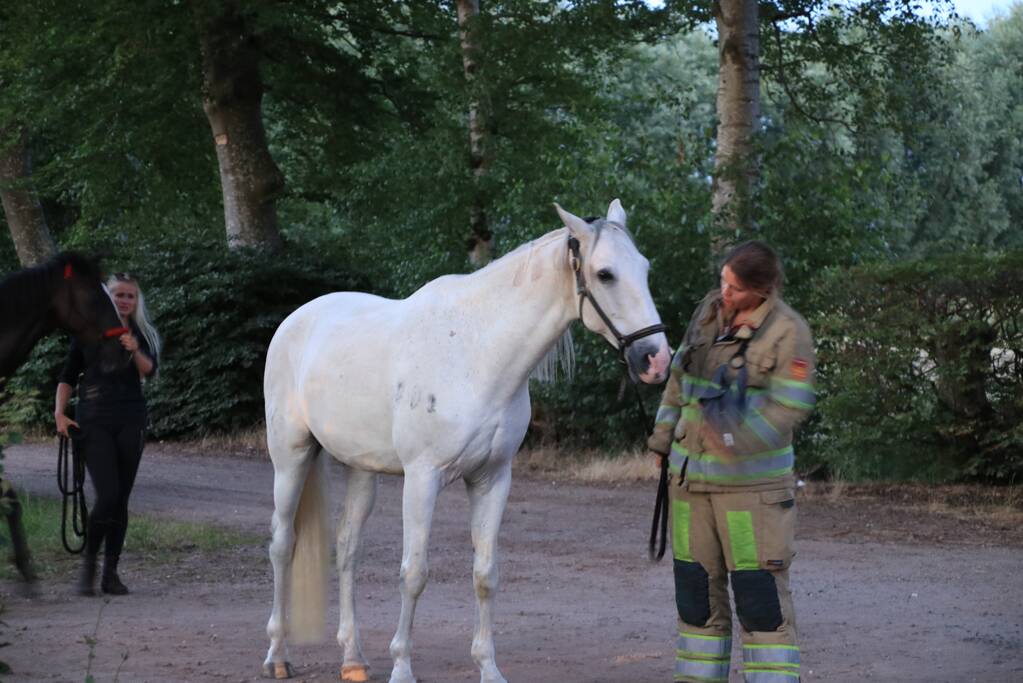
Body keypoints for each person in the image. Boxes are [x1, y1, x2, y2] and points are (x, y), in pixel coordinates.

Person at [648, 241, 815, 683]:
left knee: (760, 602)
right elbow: (679, 378)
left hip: (751, 496)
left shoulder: (788, 331)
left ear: (761, 290)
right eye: (723, 280)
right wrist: (663, 438)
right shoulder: (708, 311)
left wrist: (731, 439)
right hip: (689, 487)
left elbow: (790, 408)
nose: (723, 292)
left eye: (735, 287)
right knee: (695, 599)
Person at [54, 272, 160, 596]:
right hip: (93, 418)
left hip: (131, 418)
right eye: (119, 295)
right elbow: (67, 375)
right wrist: (59, 413)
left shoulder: (142, 333)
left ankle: (110, 572)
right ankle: (89, 565)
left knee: (121, 499)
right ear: (107, 298)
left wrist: (133, 347)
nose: (124, 300)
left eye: (130, 296)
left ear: (135, 301)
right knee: (108, 494)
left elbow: (150, 370)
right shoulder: (86, 332)